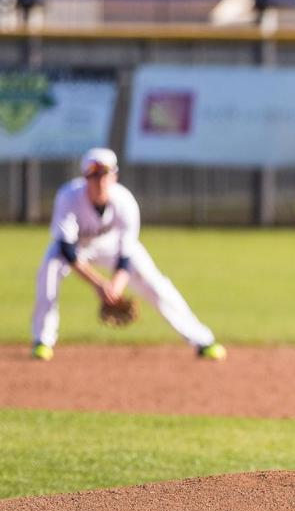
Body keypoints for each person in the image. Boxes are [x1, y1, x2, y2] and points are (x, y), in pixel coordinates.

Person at [30, 147, 225, 362]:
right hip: (76, 247)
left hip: (112, 245)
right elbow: (67, 250)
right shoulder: (68, 197)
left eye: (105, 174)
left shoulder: (125, 201)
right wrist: (100, 284)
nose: (100, 180)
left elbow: (126, 253)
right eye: (94, 175)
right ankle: (43, 341)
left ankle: (202, 340)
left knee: (156, 283)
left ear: (115, 176)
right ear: (85, 177)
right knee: (48, 271)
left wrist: (116, 286)